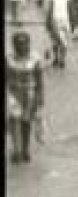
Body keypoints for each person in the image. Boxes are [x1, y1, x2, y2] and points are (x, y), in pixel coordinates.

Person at [6, 31, 45, 163]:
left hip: (30, 93)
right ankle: (16, 150)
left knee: (26, 121)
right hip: (13, 93)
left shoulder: (35, 58)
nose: (22, 46)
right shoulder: (8, 58)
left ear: (28, 44)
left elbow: (39, 81)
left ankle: (25, 149)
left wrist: (40, 99)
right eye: (18, 44)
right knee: (14, 120)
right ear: (14, 45)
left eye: (24, 43)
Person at [44, 0, 71, 69]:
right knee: (56, 42)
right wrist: (48, 22)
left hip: (65, 22)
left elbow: (69, 9)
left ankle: (61, 59)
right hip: (55, 22)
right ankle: (57, 58)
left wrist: (72, 21)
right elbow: (50, 10)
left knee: (63, 42)